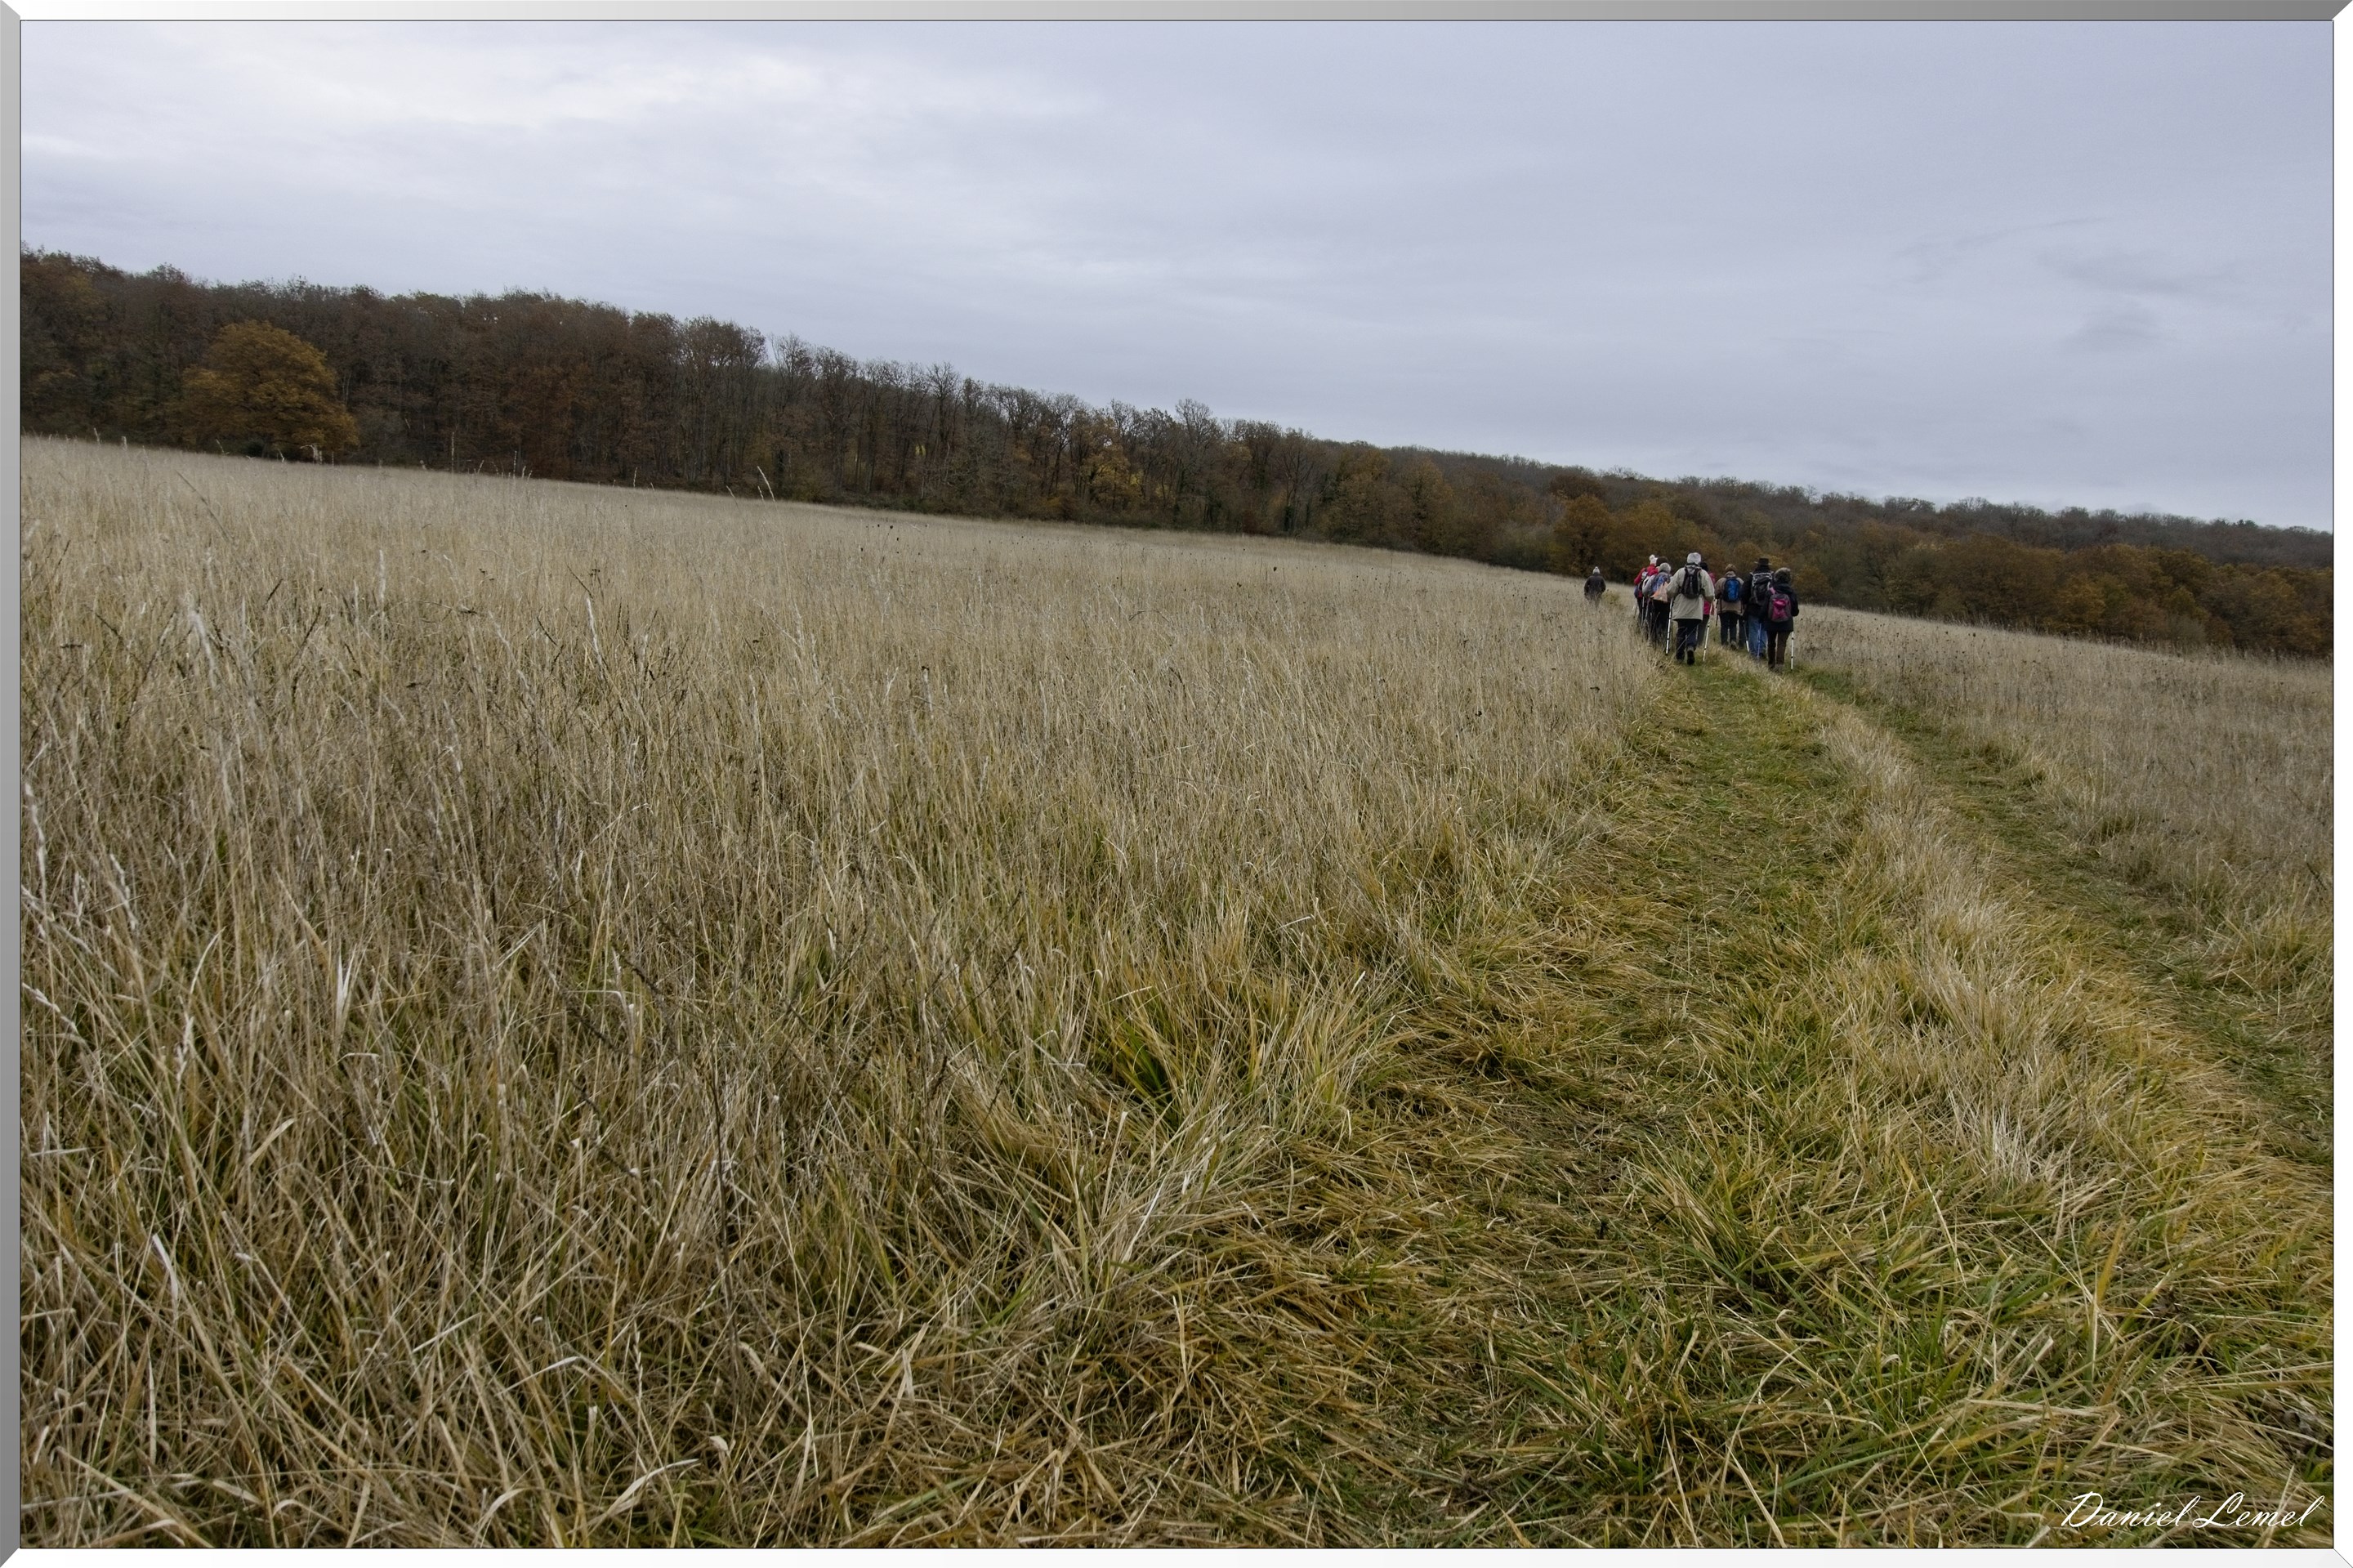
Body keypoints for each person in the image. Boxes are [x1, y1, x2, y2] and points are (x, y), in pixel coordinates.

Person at [1662, 551, 1715, 663]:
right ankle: (1690, 647)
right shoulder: (1703, 574)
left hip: (1681, 607)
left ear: (1688, 560)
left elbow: (1670, 590)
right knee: (1692, 630)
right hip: (1696, 608)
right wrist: (1709, 600)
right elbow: (1710, 594)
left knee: (1681, 630)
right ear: (1698, 561)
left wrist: (1673, 596)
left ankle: (1680, 657)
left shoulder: (1680, 572)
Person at [1761, 566, 1799, 670]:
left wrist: (1762, 618)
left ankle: (1771, 665)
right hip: (1786, 622)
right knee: (1782, 644)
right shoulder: (1791, 592)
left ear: (1776, 578)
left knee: (1771, 643)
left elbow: (1765, 608)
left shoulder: (1771, 591)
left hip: (1771, 621)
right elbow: (1795, 611)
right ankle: (1780, 665)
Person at [1747, 556, 1774, 659]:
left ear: (1758, 565)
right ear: (1768, 565)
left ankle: (1753, 653)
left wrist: (1746, 603)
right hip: (1767, 607)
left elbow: (1744, 592)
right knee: (1764, 630)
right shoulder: (1772, 576)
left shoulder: (1752, 576)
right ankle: (1762, 650)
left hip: (1753, 607)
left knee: (1753, 630)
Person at [1716, 565, 1746, 646]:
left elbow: (1716, 594)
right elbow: (1743, 594)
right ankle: (1733, 640)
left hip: (1723, 607)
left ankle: (1724, 642)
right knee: (1733, 625)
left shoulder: (1721, 581)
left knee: (1724, 625)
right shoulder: (1740, 581)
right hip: (1736, 607)